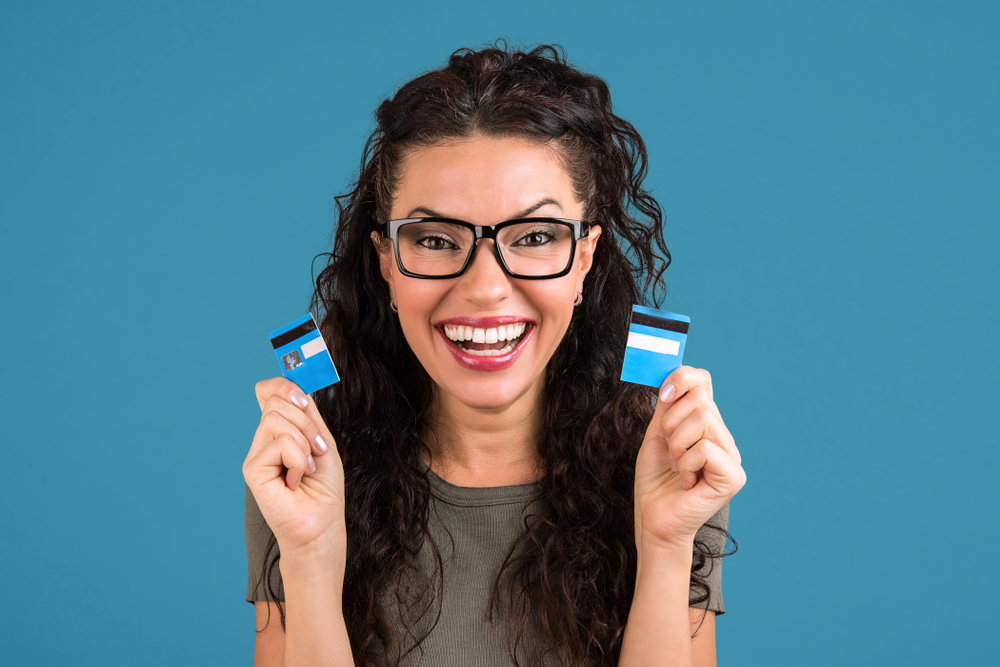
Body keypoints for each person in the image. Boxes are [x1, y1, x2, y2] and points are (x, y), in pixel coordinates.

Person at [243, 42, 746, 667]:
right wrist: (312, 559)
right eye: (434, 239)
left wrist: (666, 545)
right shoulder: (304, 471)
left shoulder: (671, 466)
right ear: (384, 261)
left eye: (535, 237)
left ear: (584, 258)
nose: (484, 288)